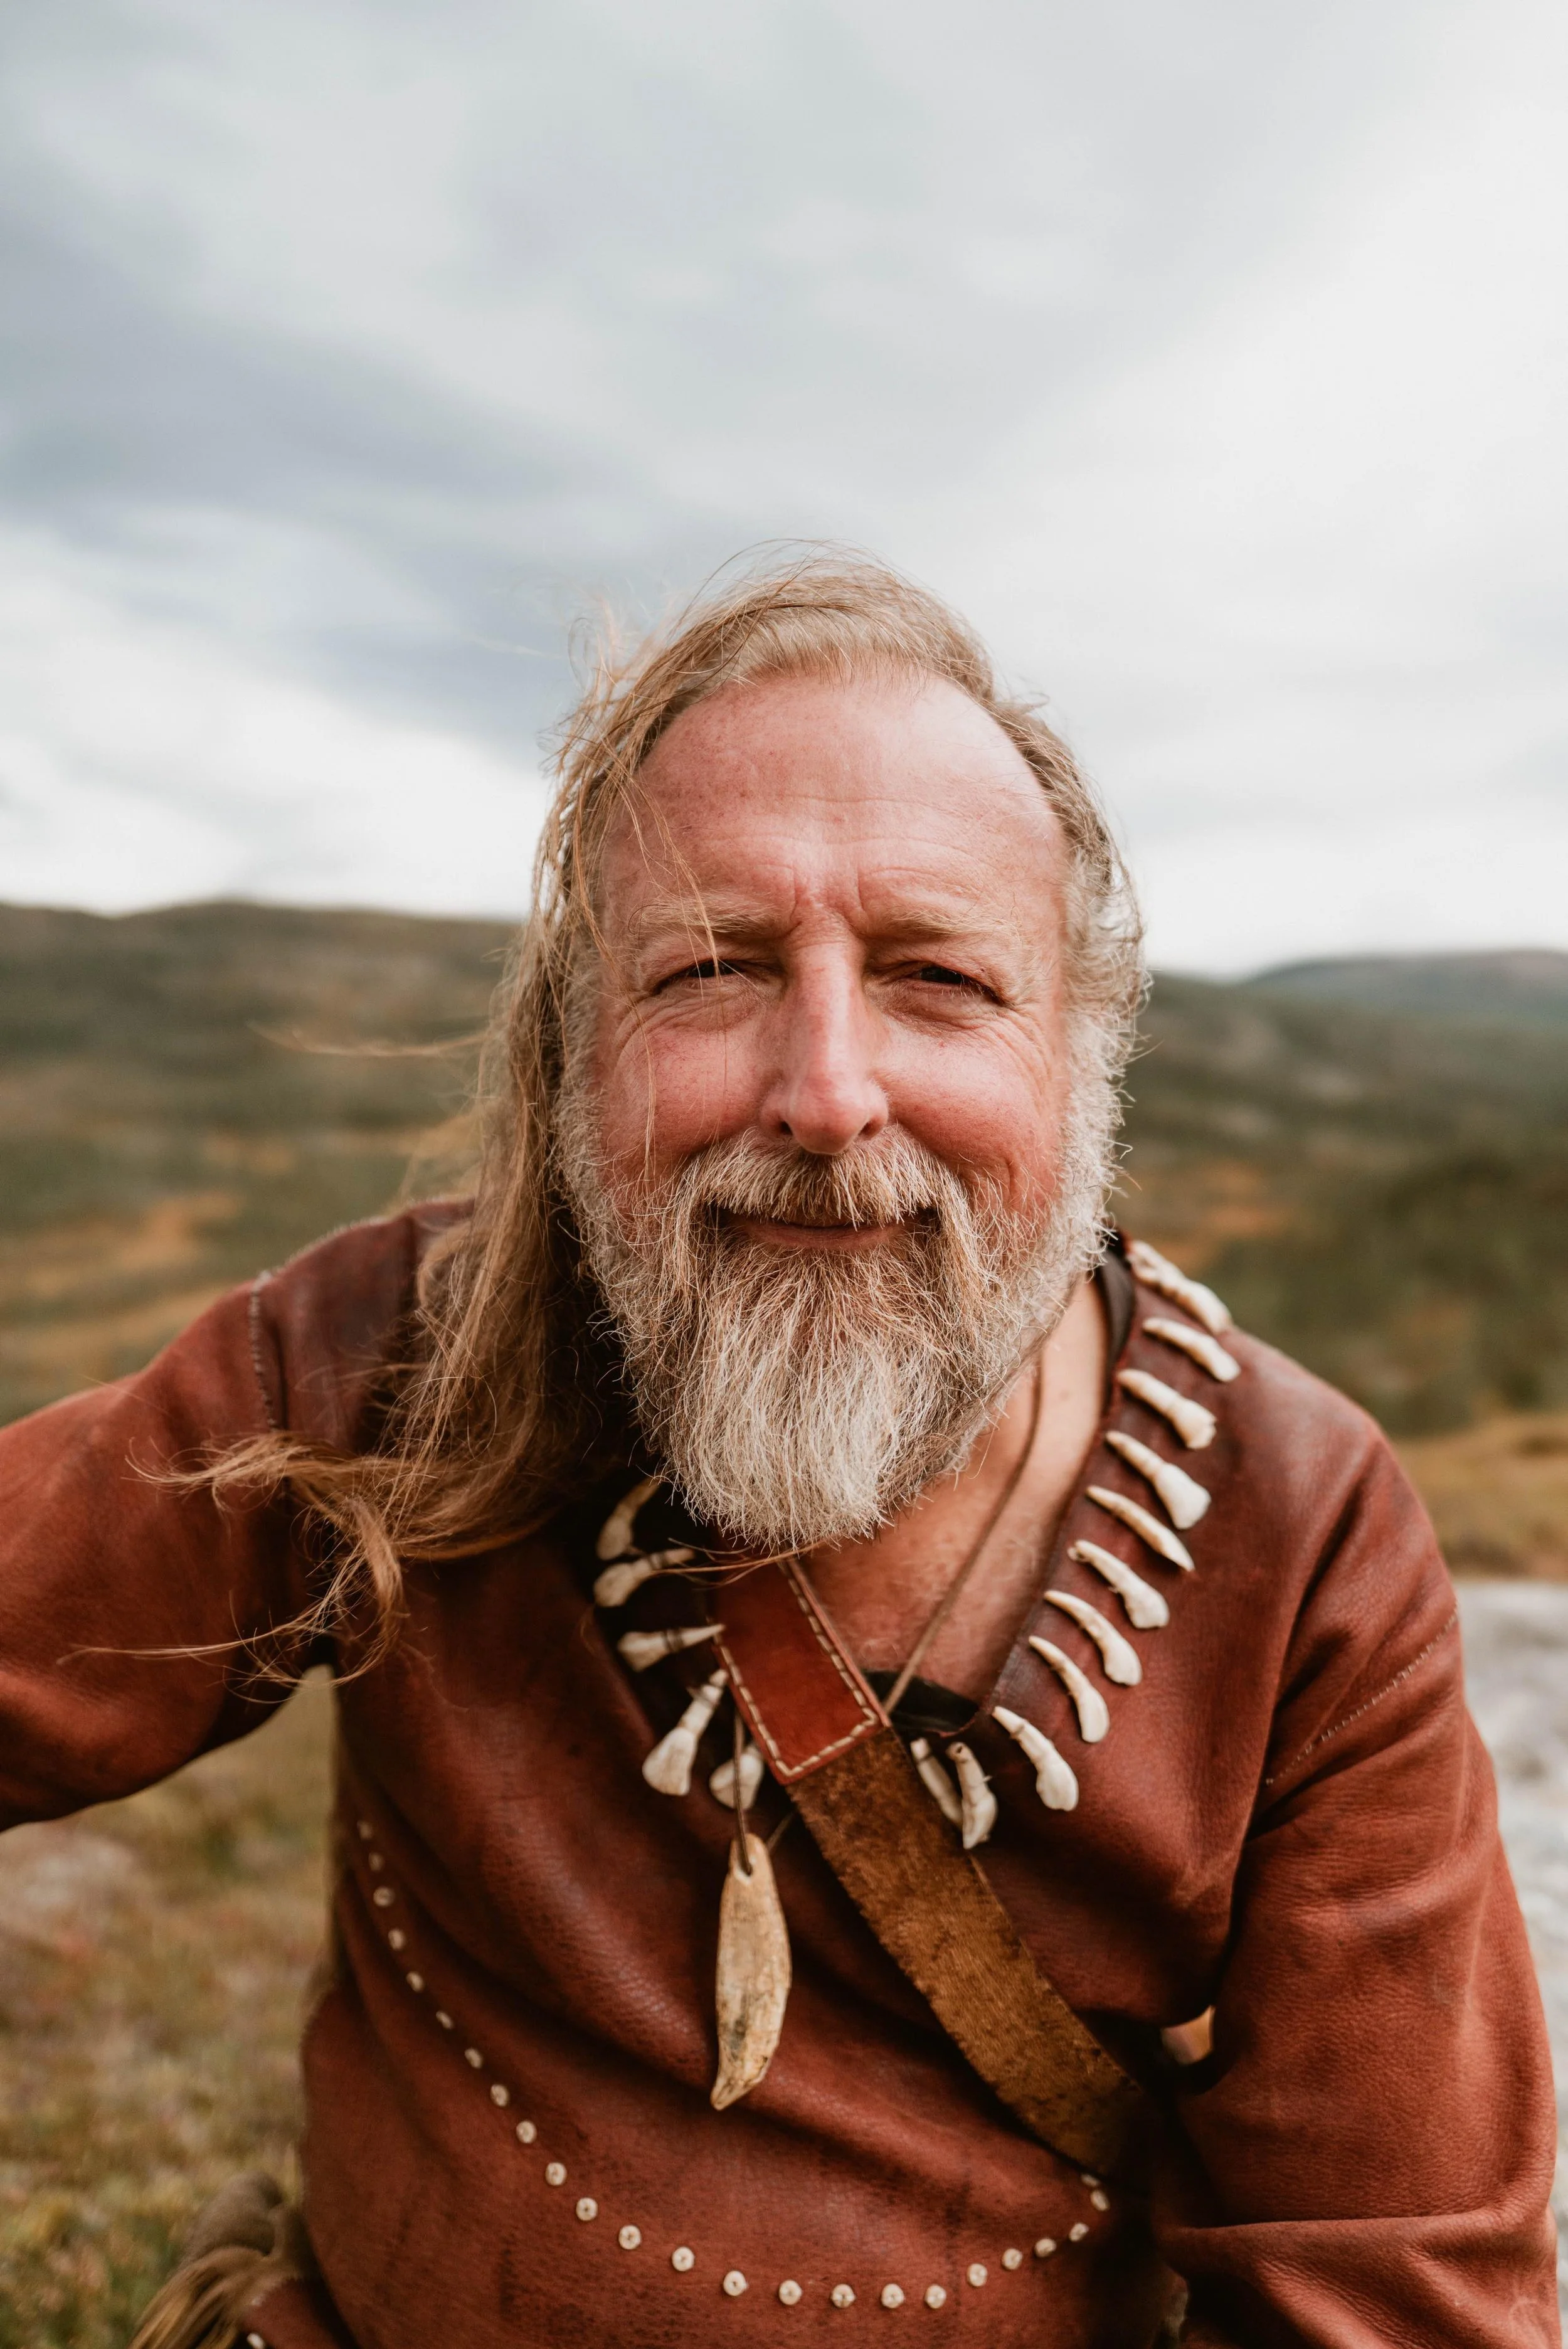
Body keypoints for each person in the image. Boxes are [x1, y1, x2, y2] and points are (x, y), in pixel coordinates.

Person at [0, 555, 1557, 2349]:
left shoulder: (1296, 1524)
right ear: (579, 1051)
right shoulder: (385, 1356)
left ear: (1080, 1055)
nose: (824, 1091)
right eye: (714, 970)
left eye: (939, 978)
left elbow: (1393, 2294)